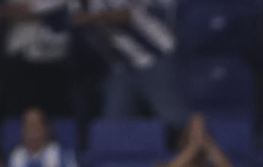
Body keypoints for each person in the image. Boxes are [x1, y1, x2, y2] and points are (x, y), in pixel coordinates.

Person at [73, 0, 188, 128]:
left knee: (175, 120)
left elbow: (124, 15)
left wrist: (89, 18)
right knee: (114, 123)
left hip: (154, 56)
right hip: (120, 66)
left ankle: (192, 145)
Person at [0, 0, 73, 119]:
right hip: (19, 52)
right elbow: (2, 9)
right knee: (18, 111)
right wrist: (10, 11)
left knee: (54, 113)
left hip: (53, 57)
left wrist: (20, 10)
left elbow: (39, 8)